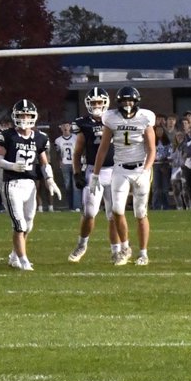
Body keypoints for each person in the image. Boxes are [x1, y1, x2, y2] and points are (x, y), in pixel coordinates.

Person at [92, 86, 156, 265]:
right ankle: (125, 248)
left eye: (130, 100)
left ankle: (143, 253)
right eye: (125, 101)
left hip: (140, 169)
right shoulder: (110, 118)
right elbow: (103, 148)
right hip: (119, 168)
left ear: (136, 102)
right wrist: (95, 175)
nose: (128, 104)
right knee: (116, 211)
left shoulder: (145, 117)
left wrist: (146, 171)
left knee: (140, 213)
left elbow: (152, 150)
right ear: (119, 102)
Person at [0, 99, 59, 271]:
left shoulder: (40, 138)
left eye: (27, 115)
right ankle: (23, 261)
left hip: (30, 184)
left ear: (33, 116)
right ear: (15, 116)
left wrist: (50, 179)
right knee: (19, 224)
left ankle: (14, 256)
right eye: (21, 115)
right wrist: (11, 165)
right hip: (12, 183)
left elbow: (44, 162)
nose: (24, 118)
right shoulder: (6, 135)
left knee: (29, 224)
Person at [67, 87, 116, 263]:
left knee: (114, 214)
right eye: (93, 102)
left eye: (99, 102)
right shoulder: (83, 123)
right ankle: (82, 244)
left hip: (115, 171)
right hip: (93, 171)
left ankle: (116, 250)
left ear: (105, 103)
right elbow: (78, 151)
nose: (96, 105)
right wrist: (77, 172)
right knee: (89, 212)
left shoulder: (114, 119)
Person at [53, 121, 78, 211]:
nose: (65, 127)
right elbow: (57, 152)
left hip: (75, 163)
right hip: (65, 163)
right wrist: (59, 161)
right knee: (67, 186)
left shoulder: (76, 138)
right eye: (63, 126)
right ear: (61, 127)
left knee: (76, 185)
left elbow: (81, 149)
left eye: (67, 125)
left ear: (70, 127)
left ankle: (77, 206)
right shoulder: (58, 140)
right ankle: (70, 206)